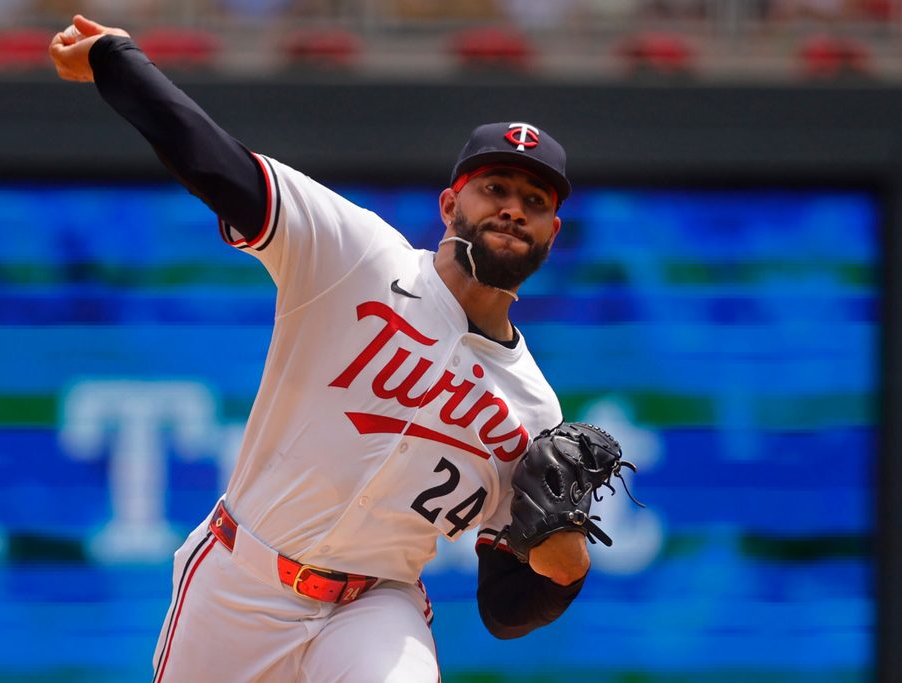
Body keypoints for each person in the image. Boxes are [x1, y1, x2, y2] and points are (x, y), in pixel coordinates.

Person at [50, 15, 592, 682]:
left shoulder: (533, 407)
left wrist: (564, 569)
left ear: (552, 231)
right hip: (241, 579)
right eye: (495, 189)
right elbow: (221, 166)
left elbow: (505, 609)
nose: (512, 208)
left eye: (533, 200)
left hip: (374, 608)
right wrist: (118, 60)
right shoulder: (357, 255)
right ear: (451, 203)